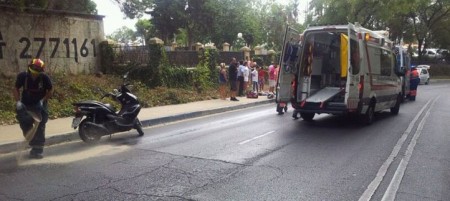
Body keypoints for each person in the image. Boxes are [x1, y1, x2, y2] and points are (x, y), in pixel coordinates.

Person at [13, 58, 53, 159]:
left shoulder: (44, 78)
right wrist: (18, 102)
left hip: (39, 105)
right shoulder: (23, 76)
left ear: (41, 70)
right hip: (26, 105)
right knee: (25, 124)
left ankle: (38, 150)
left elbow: (51, 89)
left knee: (40, 126)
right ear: (30, 67)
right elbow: (16, 88)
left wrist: (43, 100)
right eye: (34, 68)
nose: (35, 72)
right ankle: (33, 143)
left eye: (38, 70)